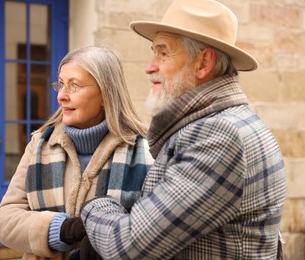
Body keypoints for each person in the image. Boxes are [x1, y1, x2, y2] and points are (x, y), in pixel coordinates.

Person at [80, 0, 287, 259]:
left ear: (203, 63)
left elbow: (128, 246)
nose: (149, 66)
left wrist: (93, 206)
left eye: (163, 53)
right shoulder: (227, 123)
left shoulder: (219, 135)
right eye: (153, 52)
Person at [0, 46, 154, 259]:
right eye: (60, 84)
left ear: (106, 94)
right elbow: (5, 220)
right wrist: (63, 229)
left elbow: (153, 230)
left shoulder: (146, 150)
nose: (61, 96)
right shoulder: (40, 144)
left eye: (74, 86)